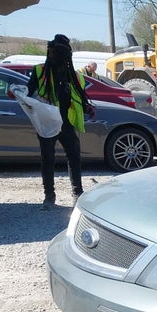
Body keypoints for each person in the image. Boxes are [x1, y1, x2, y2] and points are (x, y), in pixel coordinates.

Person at [27, 34, 95, 210]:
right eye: (55, 53)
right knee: (47, 159)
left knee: (74, 157)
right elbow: (28, 94)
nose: (56, 58)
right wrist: (20, 95)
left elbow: (80, 97)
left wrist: (88, 107)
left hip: (66, 124)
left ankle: (77, 192)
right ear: (49, 53)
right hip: (47, 124)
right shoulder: (39, 71)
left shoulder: (73, 75)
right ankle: (49, 196)